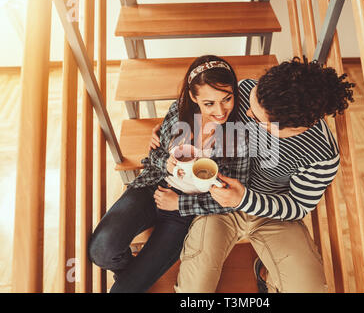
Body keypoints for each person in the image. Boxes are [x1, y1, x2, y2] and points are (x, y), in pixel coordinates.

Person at [151, 57, 355, 293]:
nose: (247, 112)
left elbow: (298, 206)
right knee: (193, 292)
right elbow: (203, 106)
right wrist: (166, 128)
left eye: (258, 118)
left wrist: (244, 199)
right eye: (251, 101)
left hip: (273, 214)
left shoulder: (322, 155)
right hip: (218, 204)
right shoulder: (249, 90)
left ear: (292, 129)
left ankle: (266, 271)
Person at [88, 55, 249, 292]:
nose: (220, 111)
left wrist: (180, 203)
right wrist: (167, 164)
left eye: (227, 99)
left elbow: (232, 200)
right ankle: (134, 272)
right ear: (193, 97)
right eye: (209, 103)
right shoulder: (179, 112)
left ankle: (135, 277)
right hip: (153, 185)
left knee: (121, 291)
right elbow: (152, 156)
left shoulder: (239, 137)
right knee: (101, 251)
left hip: (186, 213)